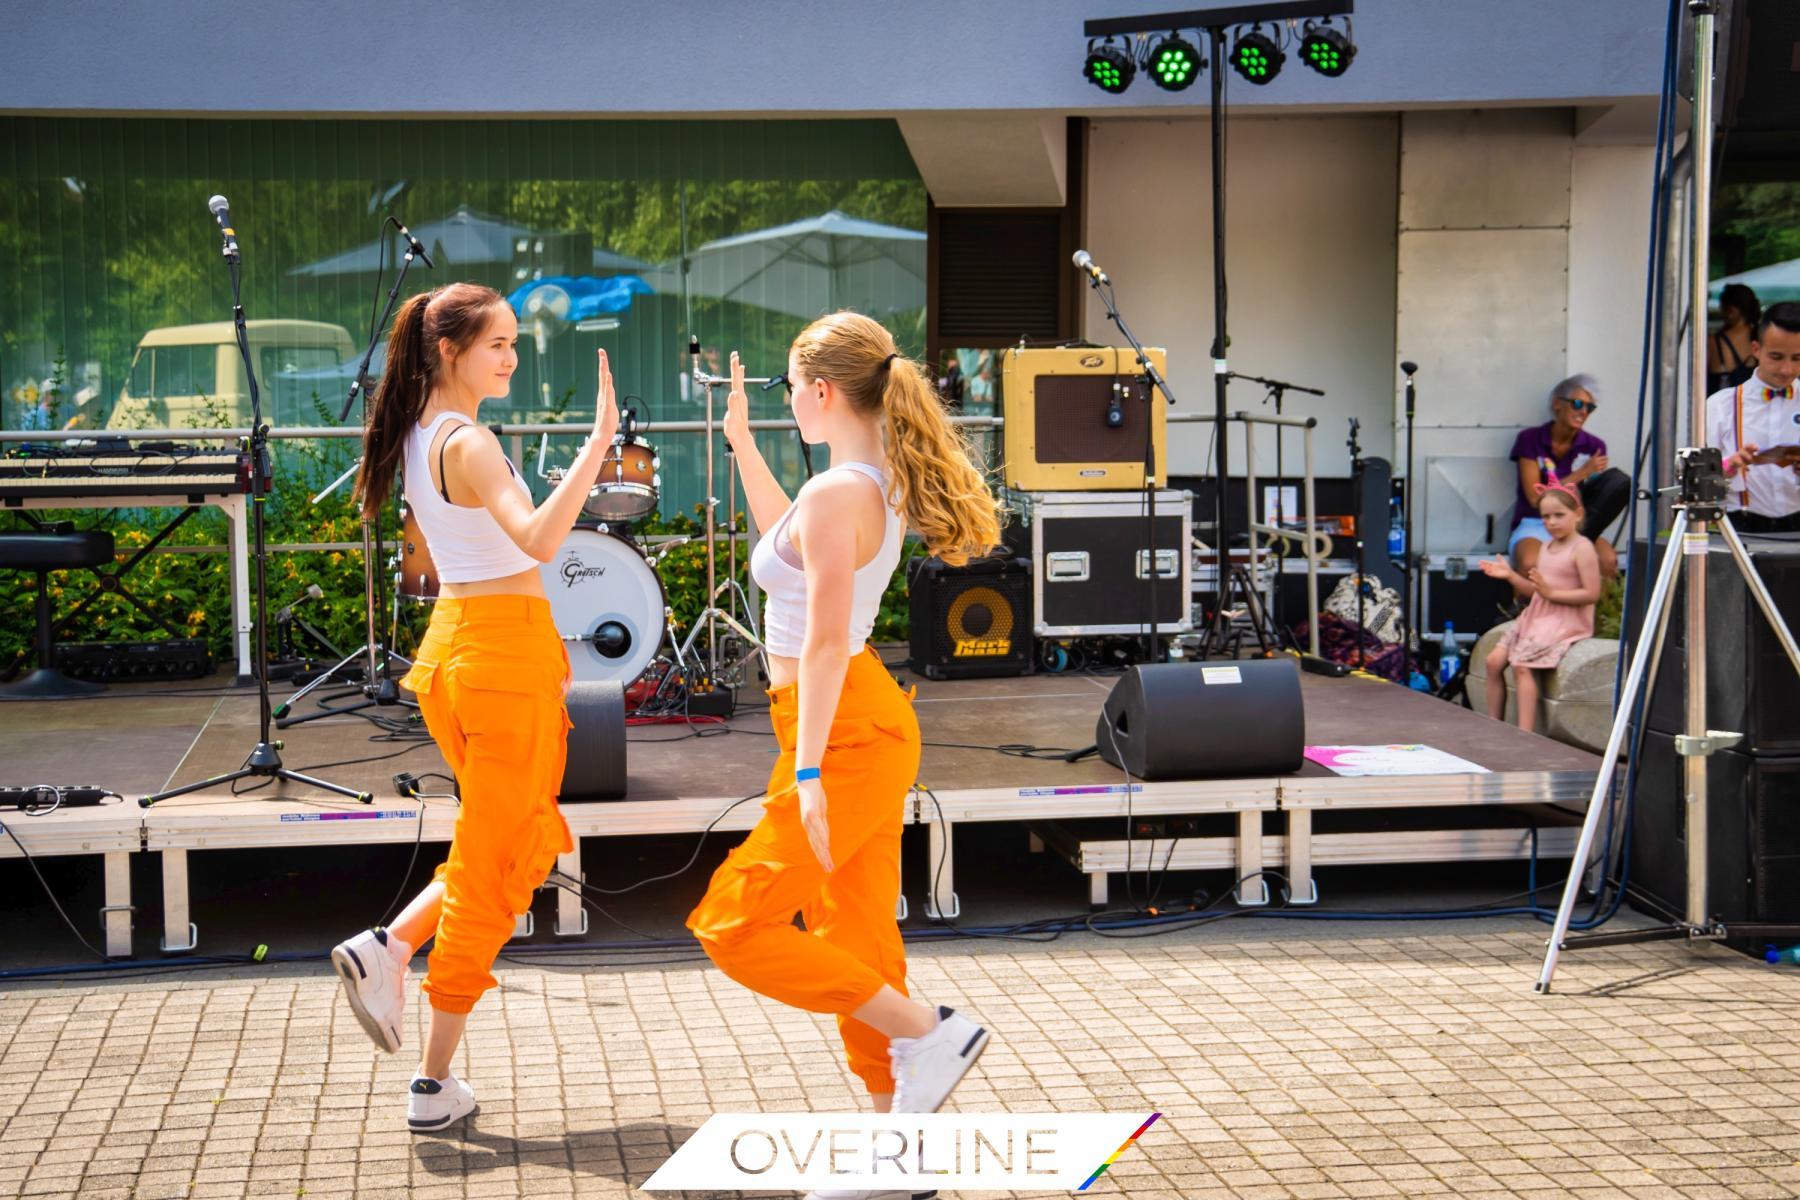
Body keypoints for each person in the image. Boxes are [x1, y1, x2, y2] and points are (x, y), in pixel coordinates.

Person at [685, 313, 1003, 1172]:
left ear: (822, 392)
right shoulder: (862, 484)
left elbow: (824, 641)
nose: (790, 405)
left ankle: (930, 1034)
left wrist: (813, 767)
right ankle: (895, 1148)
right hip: (848, 719)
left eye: (791, 392)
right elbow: (783, 549)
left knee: (732, 921)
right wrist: (745, 446)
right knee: (859, 939)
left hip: (843, 729)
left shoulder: (841, 495)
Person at [330, 282, 619, 1132]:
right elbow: (537, 540)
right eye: (499, 342)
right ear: (449, 349)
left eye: (516, 342)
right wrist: (597, 446)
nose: (513, 356)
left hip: (460, 651)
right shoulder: (471, 442)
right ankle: (430, 1082)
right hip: (498, 655)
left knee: (507, 842)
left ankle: (391, 946)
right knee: (497, 868)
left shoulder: (420, 431)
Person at [1479, 478, 1601, 734]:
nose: (1551, 522)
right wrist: (1511, 576)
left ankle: (1525, 734)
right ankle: (1493, 724)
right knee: (1493, 662)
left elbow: (1591, 593)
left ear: (1577, 514)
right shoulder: (1546, 547)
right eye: (1545, 517)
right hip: (1537, 615)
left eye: (1559, 515)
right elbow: (1537, 593)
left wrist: (1551, 592)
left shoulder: (1583, 548)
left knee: (1522, 666)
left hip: (1565, 619)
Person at [1507, 374, 1627, 580]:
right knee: (1529, 564)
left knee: (1606, 560)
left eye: (1590, 408)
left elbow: (1591, 499)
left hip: (1574, 525)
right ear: (1557, 404)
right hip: (1536, 522)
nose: (1583, 412)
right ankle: (1527, 612)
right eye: (1578, 404)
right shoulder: (1530, 439)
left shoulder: (1594, 446)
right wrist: (1581, 473)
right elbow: (1536, 499)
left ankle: (1598, 612)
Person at [1708, 301, 1800, 534]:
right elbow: (1696, 481)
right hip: (1741, 526)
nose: (1786, 369)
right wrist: (1728, 466)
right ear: (1756, 349)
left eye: (1797, 358)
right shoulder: (1721, 406)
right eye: (1776, 357)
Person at [1708, 282, 1761, 394]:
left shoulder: (1714, 342)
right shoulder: (1762, 337)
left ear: (1730, 311)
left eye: (1721, 308)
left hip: (1722, 407)